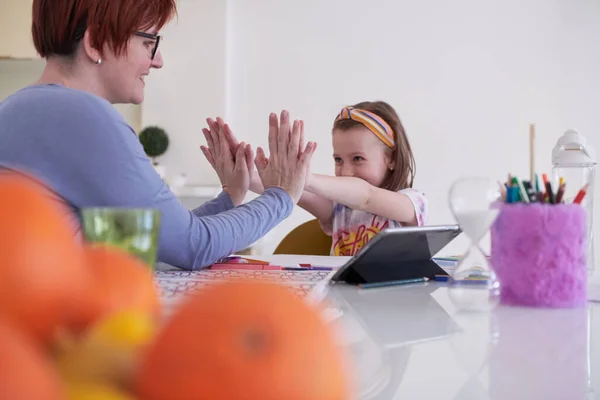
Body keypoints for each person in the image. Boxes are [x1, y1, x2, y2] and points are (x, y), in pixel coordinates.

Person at [0, 0, 315, 269]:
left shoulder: (17, 108)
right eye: (149, 42)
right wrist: (282, 196)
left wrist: (230, 196)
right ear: (95, 43)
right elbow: (193, 247)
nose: (158, 61)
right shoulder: (83, 115)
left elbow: (142, 240)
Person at [211, 101, 429, 256]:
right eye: (338, 159)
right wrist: (241, 172)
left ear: (391, 159)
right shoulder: (341, 210)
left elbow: (366, 196)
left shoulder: (412, 203)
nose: (345, 171)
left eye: (358, 159)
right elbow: (288, 190)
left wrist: (301, 176)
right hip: (344, 307)